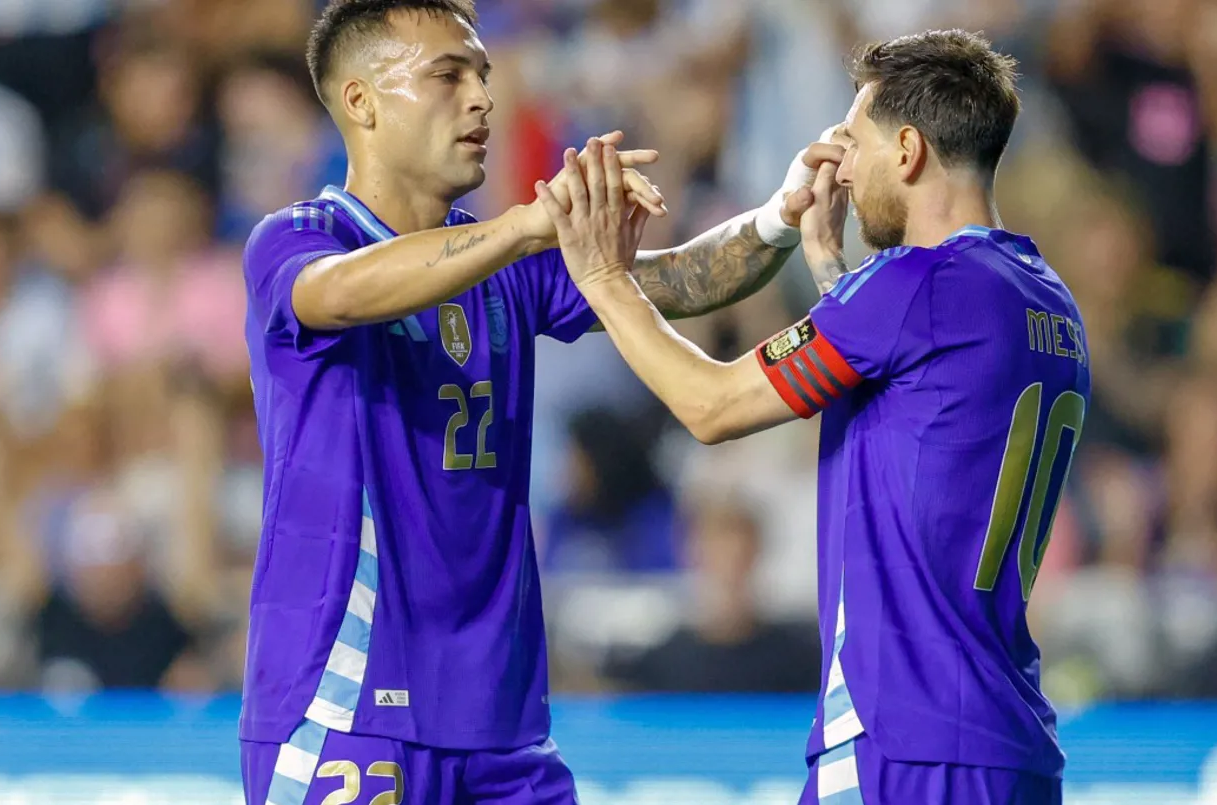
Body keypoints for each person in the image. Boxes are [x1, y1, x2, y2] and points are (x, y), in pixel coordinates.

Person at [238, 1, 820, 804]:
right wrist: (521, 227)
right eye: (448, 75)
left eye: (482, 74)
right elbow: (336, 295)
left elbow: (680, 280)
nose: (482, 97)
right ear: (361, 102)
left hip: (501, 723)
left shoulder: (508, 260)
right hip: (348, 703)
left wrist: (783, 214)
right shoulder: (301, 238)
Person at [537, 30, 1087, 805]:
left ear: (907, 150)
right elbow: (913, 395)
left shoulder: (915, 285)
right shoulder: (1046, 299)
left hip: (902, 738)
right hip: (1009, 742)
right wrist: (830, 267)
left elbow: (710, 404)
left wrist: (602, 274)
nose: (844, 169)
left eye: (855, 143)